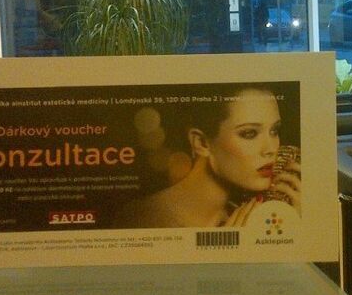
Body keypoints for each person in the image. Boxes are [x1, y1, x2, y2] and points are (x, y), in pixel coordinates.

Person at [114, 86, 300, 228]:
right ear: (201, 143)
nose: (271, 149)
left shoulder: (255, 212)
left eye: (274, 131)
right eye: (249, 133)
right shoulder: (144, 218)